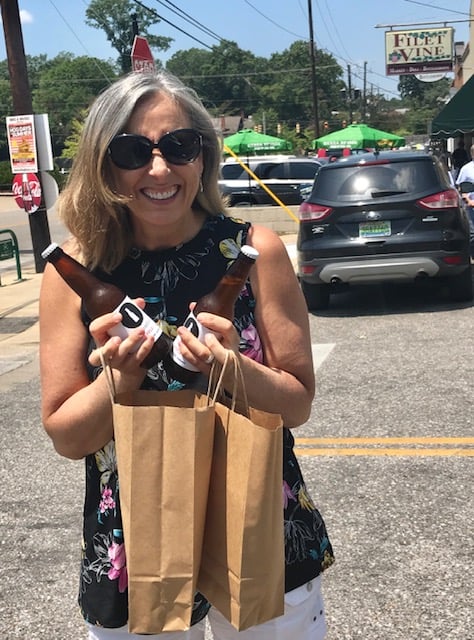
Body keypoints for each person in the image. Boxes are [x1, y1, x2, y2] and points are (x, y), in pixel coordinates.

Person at [39, 71, 334, 640]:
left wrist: (230, 366)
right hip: (135, 532)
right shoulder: (75, 273)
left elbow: (296, 405)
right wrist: (116, 382)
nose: (158, 169)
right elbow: (67, 438)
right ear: (105, 165)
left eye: (178, 146)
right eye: (132, 151)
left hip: (256, 513)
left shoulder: (254, 250)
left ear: (203, 155)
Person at [455, 143, 474, 258]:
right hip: (471, 207)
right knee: (472, 233)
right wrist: (468, 200)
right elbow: (460, 188)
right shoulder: (466, 169)